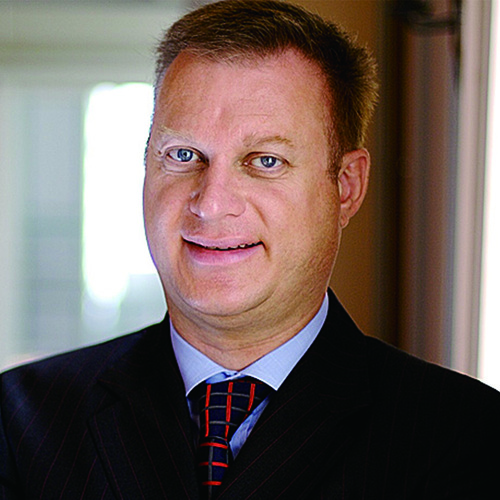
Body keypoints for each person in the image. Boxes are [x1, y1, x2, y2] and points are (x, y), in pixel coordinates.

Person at [1, 1, 499, 498]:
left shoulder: (467, 435)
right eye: (183, 154)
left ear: (346, 186)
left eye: (265, 161)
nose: (211, 203)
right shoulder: (18, 424)